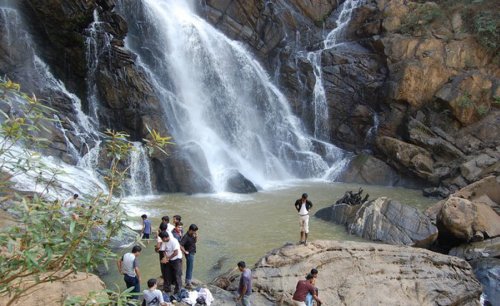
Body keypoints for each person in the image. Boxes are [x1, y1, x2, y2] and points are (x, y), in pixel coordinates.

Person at [180, 224, 198, 288]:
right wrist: (185, 251)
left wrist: (196, 237)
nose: (195, 232)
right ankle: (188, 282)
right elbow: (181, 245)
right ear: (190, 230)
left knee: (191, 267)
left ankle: (188, 280)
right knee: (190, 267)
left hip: (192, 252)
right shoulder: (186, 236)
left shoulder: (192, 235)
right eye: (194, 231)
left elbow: (194, 242)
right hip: (189, 253)